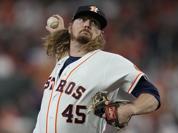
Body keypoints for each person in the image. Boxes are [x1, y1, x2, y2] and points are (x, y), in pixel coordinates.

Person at [33, 5, 161, 133]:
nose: (87, 24)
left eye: (94, 23)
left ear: (99, 34)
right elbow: (66, 52)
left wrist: (130, 109)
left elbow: (152, 96)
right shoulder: (63, 58)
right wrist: (60, 34)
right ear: (70, 27)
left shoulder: (109, 62)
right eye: (82, 19)